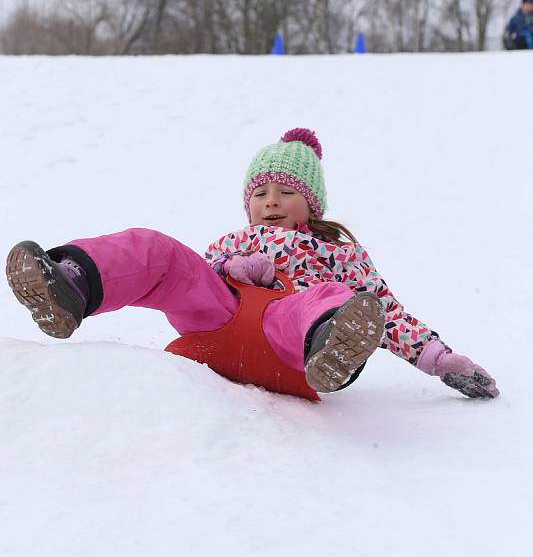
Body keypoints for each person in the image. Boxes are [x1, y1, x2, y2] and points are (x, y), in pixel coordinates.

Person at [5, 127, 498, 399]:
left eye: (286, 192)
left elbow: (387, 311)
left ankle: (332, 344)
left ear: (313, 204)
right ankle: (72, 286)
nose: (272, 202)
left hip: (287, 339)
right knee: (160, 251)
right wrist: (232, 266)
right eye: (260, 193)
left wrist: (440, 360)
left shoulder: (338, 251)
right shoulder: (235, 239)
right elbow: (193, 277)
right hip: (219, 321)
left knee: (336, 298)